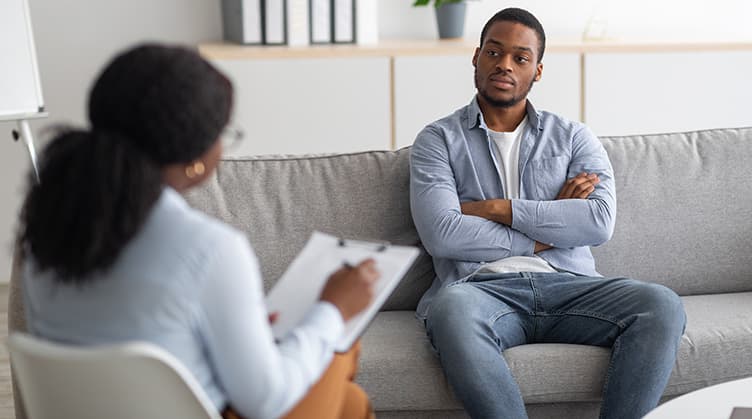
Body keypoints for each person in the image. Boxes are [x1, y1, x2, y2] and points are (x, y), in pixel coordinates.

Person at [18, 44, 378, 419]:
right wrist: (333, 309)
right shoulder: (210, 249)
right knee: (338, 349)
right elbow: (266, 401)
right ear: (194, 160)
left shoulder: (46, 230)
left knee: (349, 403)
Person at [409, 8, 686, 419]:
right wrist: (550, 222)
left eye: (520, 58)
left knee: (661, 304)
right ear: (476, 58)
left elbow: (597, 222)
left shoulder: (574, 137)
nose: (505, 64)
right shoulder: (438, 140)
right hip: (480, 290)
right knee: (450, 311)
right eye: (494, 52)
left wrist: (498, 209)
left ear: (537, 71)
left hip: (570, 285)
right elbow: (443, 233)